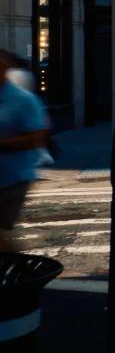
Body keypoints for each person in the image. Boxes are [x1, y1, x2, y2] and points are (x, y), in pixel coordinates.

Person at [0, 49, 49, 253]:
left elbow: (37, 138)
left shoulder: (23, 100)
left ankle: (21, 271)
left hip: (14, 177)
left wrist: (3, 143)